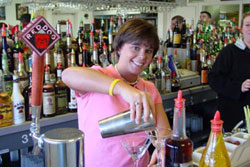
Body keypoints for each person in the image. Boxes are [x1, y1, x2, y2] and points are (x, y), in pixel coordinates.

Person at [62, 18, 171, 167]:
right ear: (119, 47)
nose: (142, 56)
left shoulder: (149, 89)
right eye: (135, 47)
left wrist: (163, 146)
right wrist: (122, 88)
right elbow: (68, 75)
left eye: (148, 51)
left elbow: (164, 132)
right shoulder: (100, 76)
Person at [208, 12, 250, 132]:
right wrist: (239, 87)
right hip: (234, 116)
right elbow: (213, 78)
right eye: (248, 25)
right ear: (241, 29)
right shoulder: (230, 52)